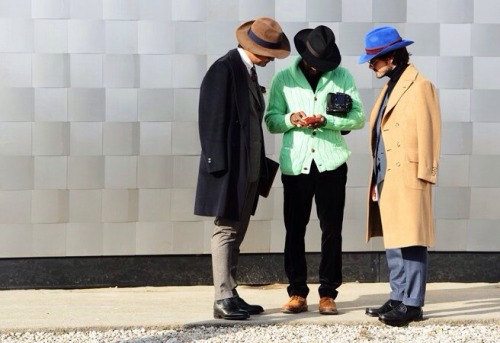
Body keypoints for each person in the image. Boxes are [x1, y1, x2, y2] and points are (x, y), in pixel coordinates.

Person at [194, 17, 290, 320]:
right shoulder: (223, 69)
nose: (272, 60)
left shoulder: (246, 72)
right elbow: (210, 120)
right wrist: (217, 167)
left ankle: (231, 292)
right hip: (229, 170)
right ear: (256, 49)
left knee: (238, 231)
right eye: (271, 54)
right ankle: (221, 296)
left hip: (248, 168)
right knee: (225, 230)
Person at [265, 25, 365, 315]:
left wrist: (327, 121)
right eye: (313, 61)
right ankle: (297, 292)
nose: (316, 67)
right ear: (305, 55)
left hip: (331, 162)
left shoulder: (342, 76)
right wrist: (290, 118)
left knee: (331, 230)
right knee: (294, 230)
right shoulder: (283, 79)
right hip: (296, 164)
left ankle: (328, 293)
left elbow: (357, 118)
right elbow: (271, 120)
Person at [358, 26, 441, 326]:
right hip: (385, 175)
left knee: (412, 239)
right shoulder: (390, 86)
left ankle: (413, 304)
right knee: (393, 237)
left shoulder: (420, 85)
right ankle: (398, 296)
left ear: (391, 57)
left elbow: (431, 131)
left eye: (374, 59)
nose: (370, 65)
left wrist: (426, 175)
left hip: (409, 174)